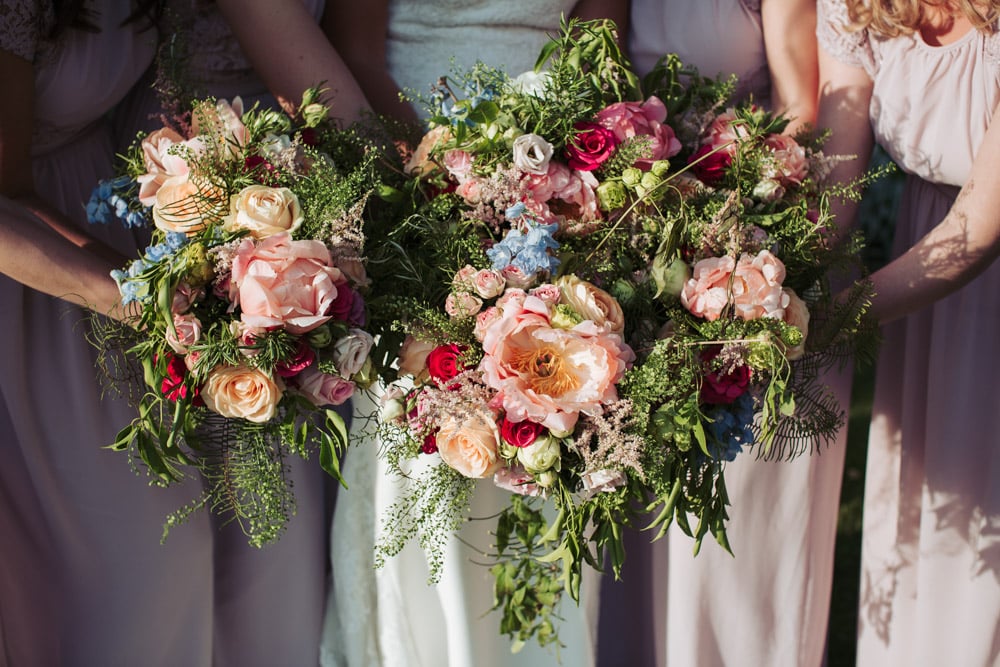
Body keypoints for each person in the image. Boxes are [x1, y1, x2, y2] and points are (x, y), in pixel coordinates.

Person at [1, 1, 371, 664]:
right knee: (139, 577)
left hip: (128, 235)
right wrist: (155, 297)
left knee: (226, 563)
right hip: (45, 282)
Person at [318, 2, 622, 666]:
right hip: (420, 204)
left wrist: (572, 190)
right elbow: (357, 50)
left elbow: (601, 38)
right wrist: (446, 197)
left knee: (551, 477)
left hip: (560, 214)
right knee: (432, 493)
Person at [596, 2, 851, 666]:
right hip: (628, 273)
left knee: (733, 559)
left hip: (755, 263)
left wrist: (727, 235)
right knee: (634, 549)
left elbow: (804, 112)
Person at [817, 1, 1000, 664]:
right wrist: (761, 278)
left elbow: (979, 228)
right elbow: (836, 182)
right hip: (920, 255)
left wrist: (824, 324)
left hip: (973, 257)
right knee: (926, 514)